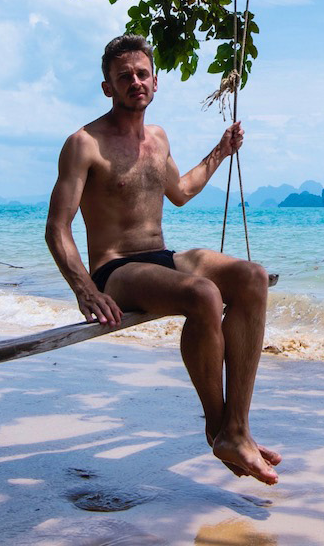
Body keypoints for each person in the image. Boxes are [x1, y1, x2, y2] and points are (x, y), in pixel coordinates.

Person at [45, 34, 280, 485]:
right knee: (204, 294)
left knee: (251, 277)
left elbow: (181, 192)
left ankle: (238, 428)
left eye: (141, 73)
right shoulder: (84, 143)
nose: (135, 81)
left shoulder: (158, 138)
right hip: (117, 269)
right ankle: (221, 428)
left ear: (155, 81)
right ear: (107, 87)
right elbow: (58, 227)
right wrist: (84, 289)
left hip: (161, 257)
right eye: (123, 76)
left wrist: (221, 151)